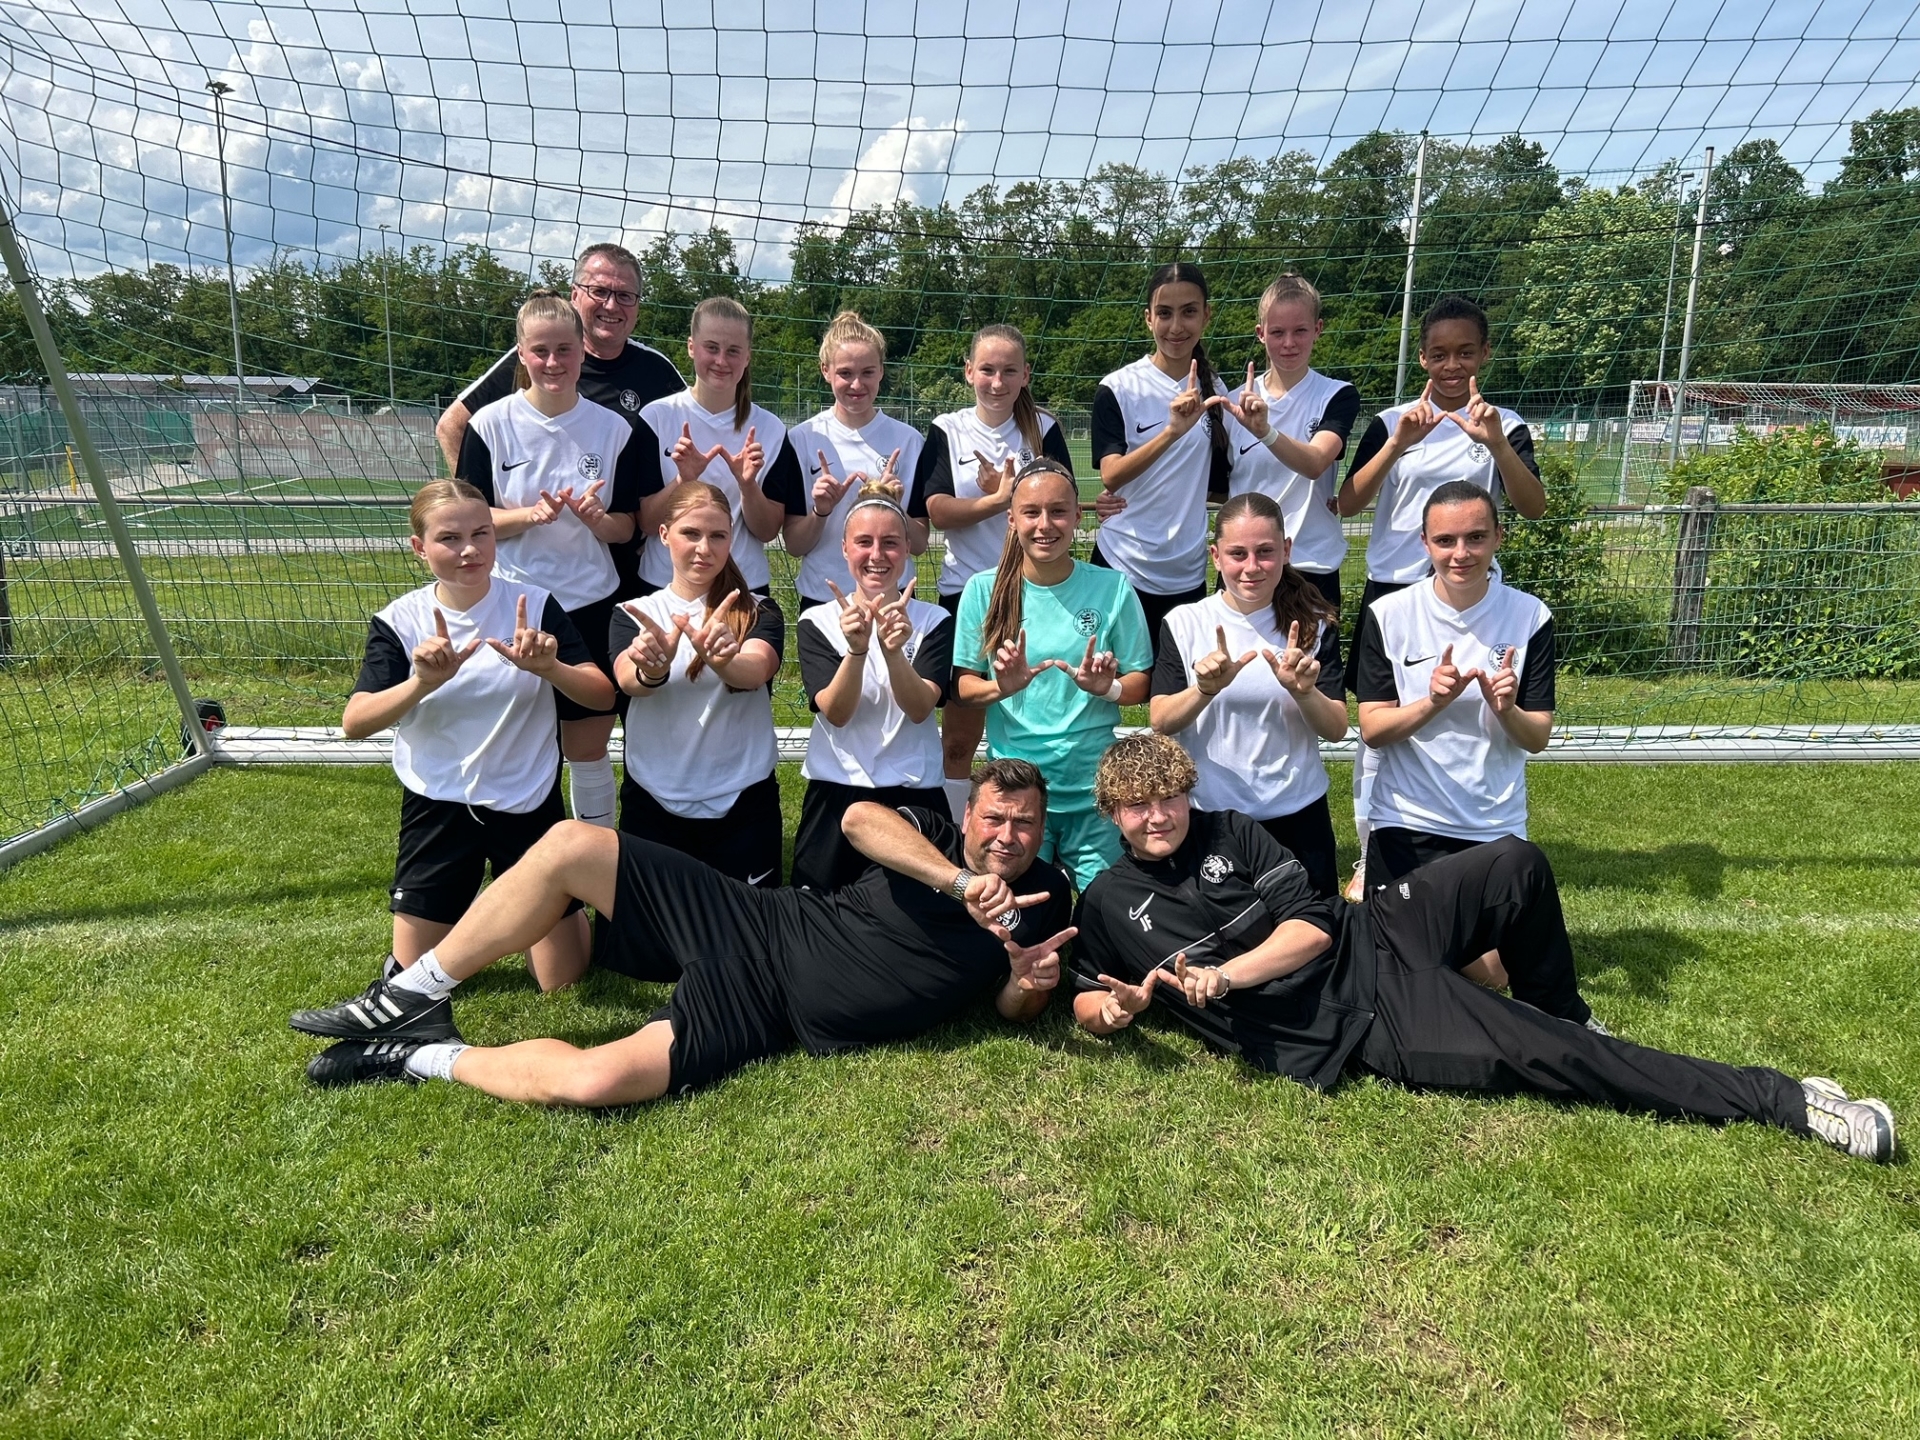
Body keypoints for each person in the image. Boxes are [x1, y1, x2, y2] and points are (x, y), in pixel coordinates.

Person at [1068, 733, 1896, 1164]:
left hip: (1371, 932)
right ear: (1113, 815)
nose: (1157, 816)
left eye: (1168, 797)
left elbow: (1313, 927)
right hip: (1359, 1022)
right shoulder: (1106, 902)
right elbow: (1084, 998)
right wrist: (1116, 1008)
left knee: (1514, 863)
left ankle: (1561, 1007)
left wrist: (1223, 977)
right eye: (1137, 807)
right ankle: (1788, 1101)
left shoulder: (1231, 831)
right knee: (1561, 1061)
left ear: (1187, 794)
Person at [288, 761, 1077, 1109]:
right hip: (757, 919)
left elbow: (1012, 1009)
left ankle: (415, 1055)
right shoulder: (931, 834)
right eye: (995, 818)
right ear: (969, 815)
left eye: (1024, 824)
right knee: (570, 845)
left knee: (594, 1083)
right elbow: (859, 821)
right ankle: (413, 992)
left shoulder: (1047, 898)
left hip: (766, 1011)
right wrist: (956, 882)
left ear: (1042, 830)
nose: (1007, 836)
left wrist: (1026, 986)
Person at [345, 480, 615, 990]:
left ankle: (552, 913)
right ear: (419, 547)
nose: (469, 549)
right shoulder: (400, 620)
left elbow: (602, 697)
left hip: (526, 799)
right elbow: (355, 722)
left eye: (480, 534)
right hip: (439, 802)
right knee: (413, 980)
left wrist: (551, 668)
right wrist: (421, 683)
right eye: (449, 538)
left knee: (561, 980)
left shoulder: (536, 605)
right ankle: (446, 916)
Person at [1335, 294, 1547, 901]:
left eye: (1465, 352)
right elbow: (1346, 502)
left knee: (1476, 714)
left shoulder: (1505, 424)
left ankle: (1482, 836)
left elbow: (1533, 506)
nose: (1452, 365)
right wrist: (1397, 444)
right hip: (1395, 592)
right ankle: (1372, 851)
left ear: (1485, 353)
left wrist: (1497, 444)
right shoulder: (1393, 420)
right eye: (1439, 353)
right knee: (1382, 729)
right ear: (1423, 358)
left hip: (1469, 591)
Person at [455, 290, 649, 830]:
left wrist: (597, 520)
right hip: (513, 603)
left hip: (590, 602)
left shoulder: (614, 429)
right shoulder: (490, 424)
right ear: (521, 353)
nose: (553, 362)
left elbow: (628, 526)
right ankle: (519, 851)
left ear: (582, 350)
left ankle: (596, 851)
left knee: (587, 746)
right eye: (540, 350)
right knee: (513, 743)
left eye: (564, 349)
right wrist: (528, 516)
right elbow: (471, 521)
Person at [436, 243, 683, 597]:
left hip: (620, 568)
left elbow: (685, 455)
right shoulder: (534, 359)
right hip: (524, 576)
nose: (611, 305)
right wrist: (486, 515)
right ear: (575, 294)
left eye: (625, 295)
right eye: (599, 291)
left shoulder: (657, 371)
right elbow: (452, 426)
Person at [952, 460, 1150, 891]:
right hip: (1015, 793)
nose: (1045, 525)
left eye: (1058, 511)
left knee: (1106, 905)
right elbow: (965, 687)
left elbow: (1141, 682)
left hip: (1093, 789)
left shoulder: (1113, 587)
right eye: (1031, 512)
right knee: (1012, 908)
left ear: (1078, 516)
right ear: (1011, 519)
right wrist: (1001, 687)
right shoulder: (983, 590)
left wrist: (1109, 688)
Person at [907, 323, 1075, 820]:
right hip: (967, 594)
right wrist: (998, 500)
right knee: (960, 737)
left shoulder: (1043, 429)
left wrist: (1013, 495)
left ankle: (1032, 823)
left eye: (1008, 371)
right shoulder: (948, 428)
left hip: (1035, 592)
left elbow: (1061, 502)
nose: (997, 382)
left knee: (1033, 722)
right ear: (968, 372)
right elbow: (936, 510)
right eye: (987, 369)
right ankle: (954, 834)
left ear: (1026, 375)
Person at [1353, 481, 1555, 889]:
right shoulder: (1389, 614)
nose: (1460, 554)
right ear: (1424, 543)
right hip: (1406, 821)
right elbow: (1372, 729)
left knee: (1497, 935)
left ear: (1498, 536)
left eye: (1475, 538)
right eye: (1445, 540)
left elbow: (1536, 738)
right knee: (1405, 933)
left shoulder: (1530, 616)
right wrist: (1432, 702)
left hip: (1494, 822)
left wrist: (1506, 711)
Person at [1149, 493, 1349, 897]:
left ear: (1286, 551)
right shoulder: (1186, 622)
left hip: (1298, 814)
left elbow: (1336, 728)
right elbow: (1161, 720)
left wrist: (1304, 693)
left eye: (1265, 552)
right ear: (1216, 556)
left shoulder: (1313, 625)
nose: (1252, 567)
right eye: (1237, 554)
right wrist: (1204, 690)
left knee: (1312, 929)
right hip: (1211, 816)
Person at [606, 482, 785, 908]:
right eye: (691, 533)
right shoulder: (634, 613)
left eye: (718, 535)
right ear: (664, 534)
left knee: (748, 934)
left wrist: (723, 660)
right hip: (654, 799)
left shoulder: (759, 610)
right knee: (651, 940)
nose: (704, 548)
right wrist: (654, 668)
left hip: (744, 800)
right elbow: (628, 680)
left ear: (731, 539)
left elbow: (757, 669)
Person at [793, 488, 953, 892]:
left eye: (890, 543)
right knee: (820, 916)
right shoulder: (818, 620)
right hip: (837, 790)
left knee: (919, 915)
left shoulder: (933, 620)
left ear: (908, 549)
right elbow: (836, 712)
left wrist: (895, 653)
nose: (877, 555)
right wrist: (857, 650)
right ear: (845, 548)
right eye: (864, 542)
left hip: (914, 791)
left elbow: (919, 708)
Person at [1089, 261, 1232, 660]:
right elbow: (1112, 474)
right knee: (1113, 681)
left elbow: (1221, 483)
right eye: (1165, 313)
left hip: (1187, 571)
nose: (1176, 326)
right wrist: (1171, 431)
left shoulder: (1217, 391)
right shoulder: (1119, 387)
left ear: (1206, 315)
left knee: (1180, 685)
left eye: (1189, 312)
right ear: (1148, 318)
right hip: (1123, 564)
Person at [636, 296, 808, 598]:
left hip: (743, 586)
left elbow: (767, 531)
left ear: (747, 356)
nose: (721, 360)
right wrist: (683, 479)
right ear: (692, 347)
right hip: (665, 587)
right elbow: (648, 523)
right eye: (711, 347)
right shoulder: (656, 418)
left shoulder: (770, 429)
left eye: (733, 351)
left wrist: (748, 485)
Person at [1215, 273, 1360, 611]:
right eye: (1277, 332)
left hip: (1312, 564)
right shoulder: (1232, 404)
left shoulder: (1336, 395)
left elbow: (1316, 462)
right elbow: (1211, 484)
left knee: (1313, 649)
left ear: (1318, 329)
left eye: (1300, 331)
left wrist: (1265, 432)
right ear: (1260, 333)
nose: (1289, 343)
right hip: (1246, 566)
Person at [783, 311, 928, 613]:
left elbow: (919, 544)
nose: (857, 384)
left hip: (893, 597)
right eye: (846, 373)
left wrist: (894, 506)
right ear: (826, 371)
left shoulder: (909, 441)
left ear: (881, 371)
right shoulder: (801, 439)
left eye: (867, 372)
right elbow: (795, 546)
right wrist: (821, 511)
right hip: (824, 597)